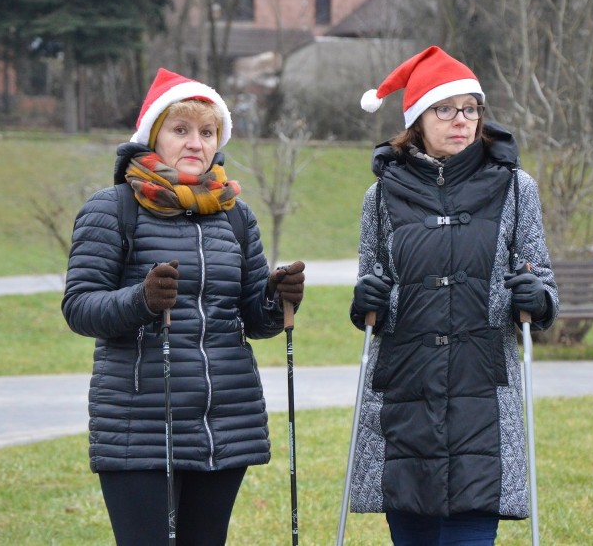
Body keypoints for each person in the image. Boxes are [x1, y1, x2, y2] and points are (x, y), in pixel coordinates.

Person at [62, 67, 305, 546]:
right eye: (181, 130)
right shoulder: (112, 208)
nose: (196, 142)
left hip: (224, 423)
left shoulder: (236, 215)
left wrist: (278, 299)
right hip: (139, 427)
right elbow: (80, 306)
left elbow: (255, 321)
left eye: (207, 131)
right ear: (154, 136)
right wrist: (141, 300)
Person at [349, 46, 559, 545]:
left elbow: (543, 285)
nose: (461, 120)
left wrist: (537, 296)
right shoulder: (380, 196)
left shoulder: (514, 187)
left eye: (471, 108)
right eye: (446, 108)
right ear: (418, 118)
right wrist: (365, 300)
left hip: (481, 393)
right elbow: (369, 297)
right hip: (405, 393)